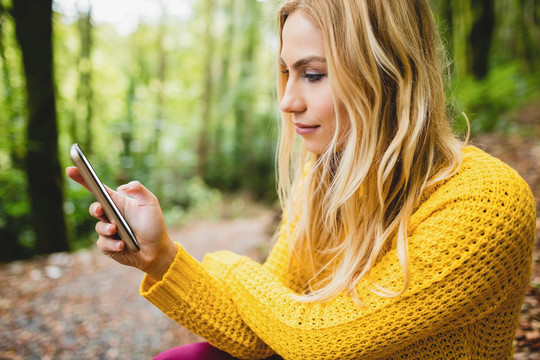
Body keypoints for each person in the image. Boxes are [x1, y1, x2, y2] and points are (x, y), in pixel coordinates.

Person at [67, 0, 536, 359]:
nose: (288, 100)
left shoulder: (485, 202)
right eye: (287, 73)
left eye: (313, 75)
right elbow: (259, 334)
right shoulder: (327, 174)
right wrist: (161, 254)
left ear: (389, 73)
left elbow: (318, 340)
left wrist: (228, 268)